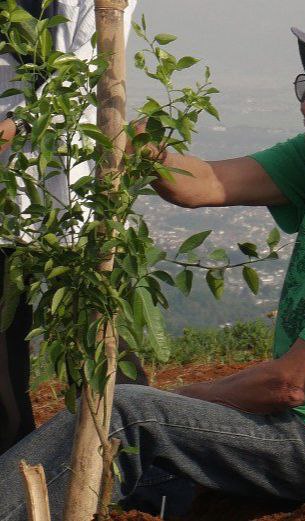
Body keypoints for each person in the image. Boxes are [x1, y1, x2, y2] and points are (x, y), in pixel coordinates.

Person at [0, 3, 305, 519]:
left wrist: (180, 399)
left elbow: (289, 384)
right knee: (149, 448)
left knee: (126, 415)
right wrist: (129, 140)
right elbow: (203, 183)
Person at [0, 0, 147, 457]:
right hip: (13, 188)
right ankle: (14, 482)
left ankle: (138, 474)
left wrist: (17, 122)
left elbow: (85, 66)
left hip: (69, 177)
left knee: (97, 335)